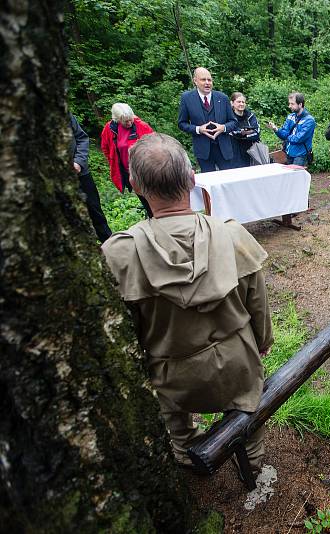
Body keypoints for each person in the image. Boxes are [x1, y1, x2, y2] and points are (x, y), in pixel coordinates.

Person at [101, 133, 272, 479]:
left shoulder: (119, 255)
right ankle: (250, 455)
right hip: (236, 365)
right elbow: (259, 306)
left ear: (135, 186)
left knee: (173, 420)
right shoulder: (232, 235)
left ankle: (185, 449)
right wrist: (262, 343)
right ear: (192, 178)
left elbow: (124, 335)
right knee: (247, 407)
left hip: (172, 377)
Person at [178, 67, 238, 172]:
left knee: (229, 180)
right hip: (203, 151)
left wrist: (223, 128)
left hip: (224, 149)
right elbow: (182, 123)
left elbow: (234, 122)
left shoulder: (222, 98)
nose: (207, 83)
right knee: (208, 183)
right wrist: (198, 129)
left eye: (209, 80)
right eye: (203, 80)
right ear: (195, 81)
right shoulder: (186, 98)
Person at [100, 103, 155, 216]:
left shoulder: (142, 126)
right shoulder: (110, 128)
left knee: (153, 197)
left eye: (130, 120)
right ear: (117, 120)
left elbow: (155, 144)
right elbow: (105, 147)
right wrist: (112, 161)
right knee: (143, 199)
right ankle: (151, 218)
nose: (129, 123)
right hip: (128, 172)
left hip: (145, 170)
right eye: (125, 122)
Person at [69, 114, 112, 242]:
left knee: (95, 211)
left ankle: (110, 244)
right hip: (56, 181)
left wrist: (78, 162)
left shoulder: (64, 115)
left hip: (81, 174)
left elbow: (82, 138)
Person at [268, 92, 316, 167]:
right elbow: (284, 134)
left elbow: (298, 138)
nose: (289, 106)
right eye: (289, 103)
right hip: (289, 153)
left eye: (292, 104)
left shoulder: (309, 120)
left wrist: (287, 136)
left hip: (300, 156)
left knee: (297, 178)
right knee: (290, 177)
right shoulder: (290, 117)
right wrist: (276, 129)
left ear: (300, 104)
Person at [229, 92, 261, 168]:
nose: (241, 104)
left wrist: (243, 134)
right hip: (233, 151)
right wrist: (247, 132)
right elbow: (232, 132)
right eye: (238, 102)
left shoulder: (251, 116)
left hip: (250, 151)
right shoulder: (228, 116)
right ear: (232, 103)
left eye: (243, 102)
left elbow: (257, 133)